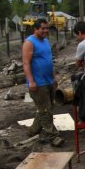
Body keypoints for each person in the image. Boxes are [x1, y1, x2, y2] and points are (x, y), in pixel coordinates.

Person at [22, 18, 64, 147]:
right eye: (43, 28)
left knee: (46, 108)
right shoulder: (29, 43)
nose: (46, 30)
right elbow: (26, 63)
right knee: (45, 110)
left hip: (48, 81)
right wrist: (31, 81)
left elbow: (48, 62)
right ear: (35, 29)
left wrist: (53, 78)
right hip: (38, 83)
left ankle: (33, 131)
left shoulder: (45, 42)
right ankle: (53, 136)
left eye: (47, 28)